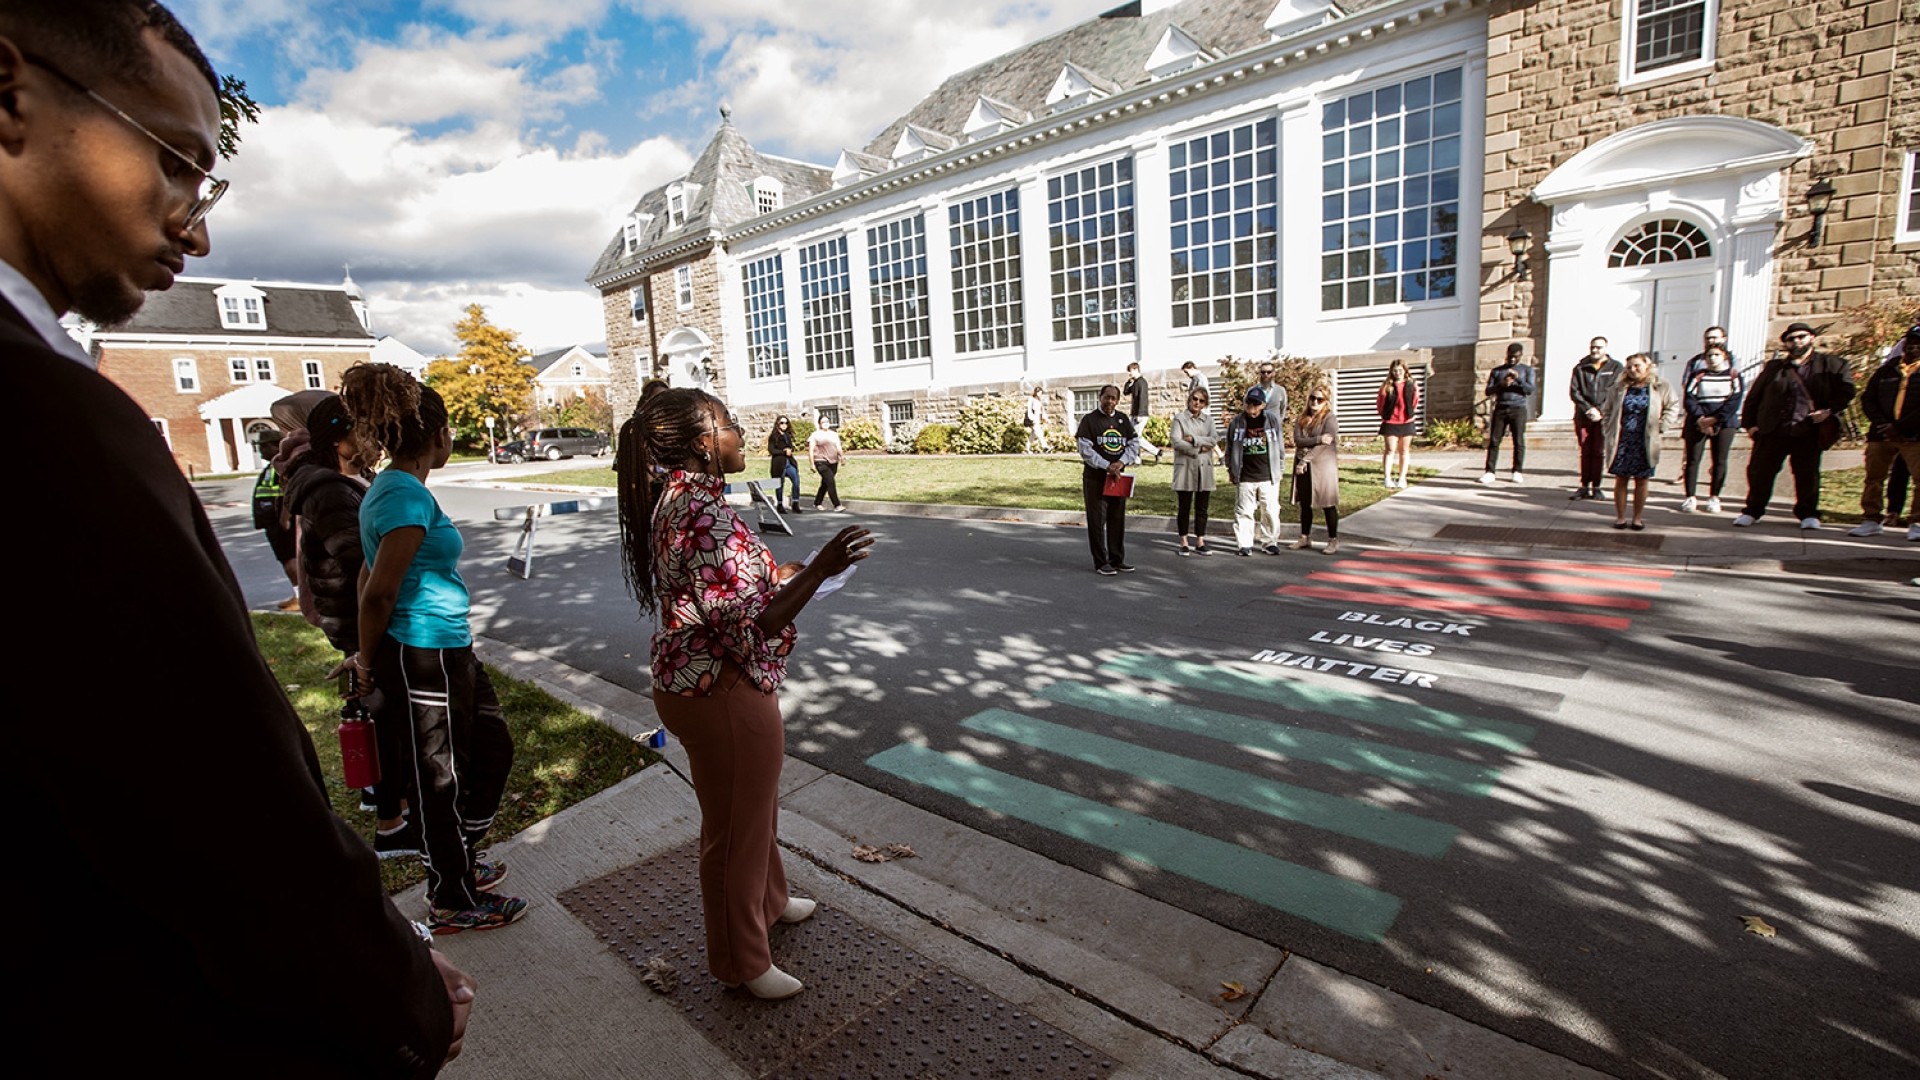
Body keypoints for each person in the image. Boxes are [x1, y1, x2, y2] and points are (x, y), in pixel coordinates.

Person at [4, 2, 470, 1072]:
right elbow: (214, 809)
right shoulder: (44, 412)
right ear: (10, 92)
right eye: (177, 162)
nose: (197, 226)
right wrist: (398, 993)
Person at [613, 387, 874, 1000]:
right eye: (729, 424)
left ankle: (772, 899)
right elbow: (750, 622)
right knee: (734, 829)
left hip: (699, 678)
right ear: (704, 443)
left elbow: (725, 589)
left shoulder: (682, 499)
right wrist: (819, 568)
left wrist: (780, 574)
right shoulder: (700, 513)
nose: (740, 432)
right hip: (722, 686)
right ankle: (741, 961)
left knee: (750, 809)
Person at [347, 363, 525, 935]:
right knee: (442, 775)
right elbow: (378, 594)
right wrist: (366, 662)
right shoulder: (401, 494)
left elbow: (365, 579)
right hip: (422, 650)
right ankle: (451, 896)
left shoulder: (399, 490)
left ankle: (458, 859)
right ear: (439, 435)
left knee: (492, 749)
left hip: (449, 644)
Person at [284, 393, 420, 853]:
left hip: (354, 614)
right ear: (340, 439)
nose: (372, 440)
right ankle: (391, 822)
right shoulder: (329, 490)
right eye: (362, 431)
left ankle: (384, 798)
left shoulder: (336, 482)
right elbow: (358, 557)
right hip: (359, 615)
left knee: (381, 713)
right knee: (387, 717)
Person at [1734, 322, 1856, 529]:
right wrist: (1750, 425)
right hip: (1774, 430)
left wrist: (1828, 411)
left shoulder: (1832, 365)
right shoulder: (1774, 368)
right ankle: (1753, 510)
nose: (1796, 341)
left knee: (1806, 473)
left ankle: (1808, 514)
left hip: (1807, 430)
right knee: (1760, 472)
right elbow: (1754, 397)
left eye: (1801, 336)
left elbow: (1846, 393)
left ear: (1812, 338)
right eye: (1791, 339)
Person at [1849, 322, 1920, 541]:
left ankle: (1916, 522)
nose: (1913, 348)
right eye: (1910, 343)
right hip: (1881, 434)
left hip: (1914, 436)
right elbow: (1868, 399)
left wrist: (1898, 427)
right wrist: (1883, 424)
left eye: (1918, 345)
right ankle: (1871, 519)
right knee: (1873, 477)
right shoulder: (1886, 370)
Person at [1602, 353, 1682, 530]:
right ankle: (1621, 517)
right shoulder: (1618, 387)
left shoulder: (1660, 385)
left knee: (1642, 480)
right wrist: (1607, 428)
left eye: (1637, 366)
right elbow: (1607, 410)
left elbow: (1672, 406)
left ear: (1647, 366)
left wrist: (1662, 426)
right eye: (1629, 367)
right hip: (1623, 439)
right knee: (1621, 479)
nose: (1633, 370)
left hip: (1645, 439)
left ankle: (1637, 518)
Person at [1076, 383, 1143, 574]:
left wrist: (1120, 463)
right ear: (1100, 397)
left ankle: (1116, 559)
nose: (1110, 402)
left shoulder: (1123, 420)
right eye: (1107, 397)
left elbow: (1133, 444)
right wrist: (1108, 466)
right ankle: (1101, 562)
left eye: (1114, 398)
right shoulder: (1089, 421)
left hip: (1118, 478)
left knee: (1117, 519)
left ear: (1118, 400)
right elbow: (1085, 450)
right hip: (1096, 478)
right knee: (1097, 521)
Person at [1679, 343, 1744, 514]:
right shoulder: (1697, 375)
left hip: (1723, 423)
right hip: (1698, 422)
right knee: (1693, 459)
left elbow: (1735, 400)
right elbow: (1690, 398)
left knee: (1719, 460)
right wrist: (1701, 419)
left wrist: (1716, 420)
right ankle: (1690, 497)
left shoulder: (1733, 376)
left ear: (1724, 357)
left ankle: (1714, 497)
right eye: (1709, 356)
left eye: (1716, 355)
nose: (1712, 358)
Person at [1225, 387, 1285, 556]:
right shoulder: (1236, 422)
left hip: (1268, 474)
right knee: (1244, 511)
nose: (1252, 407)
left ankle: (1270, 542)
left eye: (1256, 404)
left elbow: (1279, 446)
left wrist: (1280, 468)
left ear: (1263, 405)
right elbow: (1230, 448)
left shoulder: (1271, 421)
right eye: (1249, 402)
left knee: (1270, 510)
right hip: (1246, 475)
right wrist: (1231, 469)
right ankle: (1244, 544)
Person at [250, 426, 302, 610]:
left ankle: (300, 598)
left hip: (280, 522)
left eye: (264, 446)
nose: (261, 450)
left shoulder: (281, 466)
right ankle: (298, 595)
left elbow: (288, 491)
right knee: (286, 558)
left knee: (289, 559)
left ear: (276, 446)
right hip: (271, 521)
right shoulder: (272, 467)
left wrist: (285, 518)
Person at [1168, 384, 1220, 555]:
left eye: (1201, 400)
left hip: (1204, 468)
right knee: (1184, 506)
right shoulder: (1179, 419)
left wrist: (1194, 439)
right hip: (1185, 468)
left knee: (1202, 507)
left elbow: (1213, 439)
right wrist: (1198, 448)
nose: (1197, 403)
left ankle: (1200, 540)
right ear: (1189, 400)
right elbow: (1176, 442)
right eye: (1194, 399)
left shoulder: (1209, 420)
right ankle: (1183, 540)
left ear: (1205, 404)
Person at [1290, 382, 1342, 553]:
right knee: (1305, 503)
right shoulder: (1302, 418)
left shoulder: (1330, 418)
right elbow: (1298, 440)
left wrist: (1305, 459)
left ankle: (1332, 540)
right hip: (1303, 466)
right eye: (1312, 398)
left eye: (1319, 399)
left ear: (1326, 401)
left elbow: (1326, 444)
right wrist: (1318, 439)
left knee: (1328, 503)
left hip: (1323, 466)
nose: (1314, 402)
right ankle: (1305, 537)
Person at [1567, 336, 1621, 499]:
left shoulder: (1615, 367)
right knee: (1585, 450)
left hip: (1604, 417)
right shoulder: (1580, 368)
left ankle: (1597, 486)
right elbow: (1574, 391)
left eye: (1599, 347)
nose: (1595, 350)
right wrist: (1588, 409)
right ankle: (1584, 486)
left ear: (1606, 348)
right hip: (1584, 416)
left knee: (1598, 451)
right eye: (1593, 347)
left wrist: (1601, 410)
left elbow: (1616, 390)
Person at [1481, 342, 1534, 484]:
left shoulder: (1526, 370)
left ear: (1520, 356)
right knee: (1494, 440)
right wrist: (1501, 384)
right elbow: (1488, 391)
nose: (1512, 360)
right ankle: (1490, 471)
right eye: (1510, 356)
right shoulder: (1498, 371)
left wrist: (1518, 379)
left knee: (1518, 441)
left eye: (1515, 357)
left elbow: (1529, 390)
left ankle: (1517, 471)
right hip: (1501, 408)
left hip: (1518, 408)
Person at [1375, 358, 1419, 490]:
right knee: (1390, 450)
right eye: (1395, 370)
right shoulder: (1386, 386)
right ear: (1391, 371)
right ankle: (1387, 478)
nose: (1397, 373)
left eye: (1400, 370)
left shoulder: (1412, 384)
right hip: (1391, 422)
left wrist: (1410, 414)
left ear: (1405, 371)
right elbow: (1380, 403)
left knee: (1404, 451)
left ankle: (1402, 478)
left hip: (1406, 422)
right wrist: (1384, 415)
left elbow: (1415, 401)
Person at [1123, 361, 1160, 461]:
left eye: (1130, 371)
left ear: (1136, 369)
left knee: (1135, 438)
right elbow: (1126, 392)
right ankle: (1154, 453)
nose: (1129, 374)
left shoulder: (1142, 382)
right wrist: (1128, 382)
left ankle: (1153, 453)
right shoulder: (1135, 383)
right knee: (1133, 437)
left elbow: (1143, 399)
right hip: (1134, 414)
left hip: (1141, 414)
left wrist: (1140, 414)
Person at [806, 418, 846, 511]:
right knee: (831, 482)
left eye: (827, 422)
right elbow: (811, 450)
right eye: (823, 422)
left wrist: (842, 457)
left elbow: (838, 446)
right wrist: (812, 464)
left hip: (833, 461)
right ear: (819, 424)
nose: (825, 424)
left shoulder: (834, 434)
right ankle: (837, 505)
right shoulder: (815, 435)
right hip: (821, 461)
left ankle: (817, 503)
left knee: (825, 483)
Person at [767, 415, 802, 513]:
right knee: (780, 484)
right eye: (782, 423)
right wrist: (783, 451)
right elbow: (771, 450)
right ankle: (780, 504)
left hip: (789, 462)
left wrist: (790, 450)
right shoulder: (774, 436)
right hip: (779, 463)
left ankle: (795, 503)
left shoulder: (787, 435)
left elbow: (790, 447)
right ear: (777, 423)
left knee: (796, 481)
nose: (784, 425)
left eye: (786, 423)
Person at [1023, 385, 1047, 453]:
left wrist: (1044, 418)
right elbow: (1029, 409)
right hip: (1033, 418)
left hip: (1037, 419)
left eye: (1041, 393)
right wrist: (1032, 418)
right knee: (1039, 432)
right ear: (1036, 392)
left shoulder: (1039, 401)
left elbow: (1041, 411)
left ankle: (1027, 448)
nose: (1040, 394)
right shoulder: (1031, 399)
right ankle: (1045, 446)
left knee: (1033, 434)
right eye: (1039, 392)